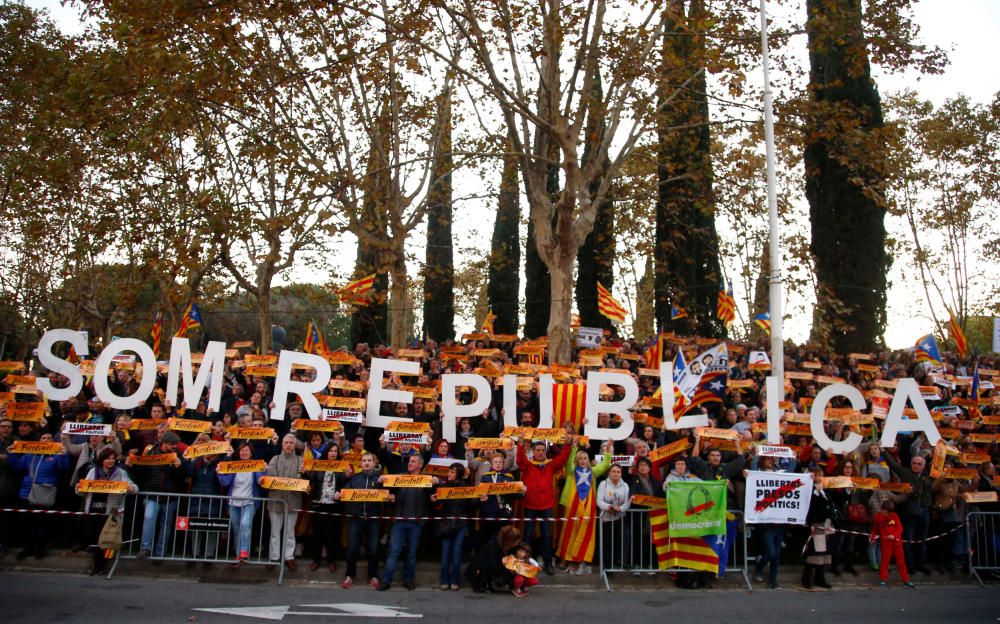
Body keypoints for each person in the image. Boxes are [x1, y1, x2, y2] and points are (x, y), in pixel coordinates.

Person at [376, 454, 438, 590]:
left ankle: (409, 579)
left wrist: (436, 483)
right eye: (409, 461)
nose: (410, 463)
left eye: (413, 461)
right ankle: (386, 580)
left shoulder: (426, 480)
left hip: (416, 522)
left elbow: (433, 496)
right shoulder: (400, 478)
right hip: (399, 521)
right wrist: (380, 482)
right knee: (394, 551)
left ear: (420, 465)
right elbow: (385, 490)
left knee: (411, 553)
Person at [124, 430, 186, 559]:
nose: (175, 446)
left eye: (175, 444)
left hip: (171, 495)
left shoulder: (178, 455)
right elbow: (141, 472)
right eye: (172, 444)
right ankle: (146, 548)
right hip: (153, 494)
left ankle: (160, 552)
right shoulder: (151, 453)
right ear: (164, 443)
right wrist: (131, 466)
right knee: (149, 519)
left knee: (166, 525)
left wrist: (179, 468)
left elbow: (182, 477)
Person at [7, 432, 70, 560]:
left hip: (44, 492)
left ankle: (40, 549)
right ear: (39, 440)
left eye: (49, 438)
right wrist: (12, 454)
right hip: (27, 491)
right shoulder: (30, 454)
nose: (46, 440)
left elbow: (63, 468)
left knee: (42, 522)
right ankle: (28, 548)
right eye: (43, 437)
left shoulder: (56, 455)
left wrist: (64, 455)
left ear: (53, 441)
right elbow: (17, 467)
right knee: (26, 522)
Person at [76, 447, 138, 575]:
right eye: (108, 458)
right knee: (93, 538)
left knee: (105, 540)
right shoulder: (93, 472)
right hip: (93, 510)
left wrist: (130, 488)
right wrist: (79, 488)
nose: (111, 461)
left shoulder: (120, 473)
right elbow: (82, 492)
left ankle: (99, 567)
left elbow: (134, 488)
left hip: (110, 512)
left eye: (113, 458)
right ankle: (98, 564)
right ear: (102, 460)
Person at [516, 439, 571, 575]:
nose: (540, 453)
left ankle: (548, 563)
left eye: (542, 450)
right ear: (534, 452)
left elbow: (562, 459)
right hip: (530, 505)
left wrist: (568, 445)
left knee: (547, 536)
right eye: (538, 450)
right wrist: (520, 445)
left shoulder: (550, 465)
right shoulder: (528, 465)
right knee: (528, 535)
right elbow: (520, 461)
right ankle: (525, 562)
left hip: (546, 506)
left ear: (545, 452)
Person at [556, 440, 611, 574]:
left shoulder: (593, 472)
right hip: (573, 508)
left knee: (584, 534)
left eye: (585, 458)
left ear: (588, 460)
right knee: (569, 533)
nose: (582, 460)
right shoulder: (571, 471)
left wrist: (608, 452)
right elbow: (568, 464)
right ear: (577, 460)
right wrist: (574, 449)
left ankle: (579, 559)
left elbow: (604, 465)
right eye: (580, 458)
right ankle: (565, 558)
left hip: (587, 508)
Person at [335, 451, 384, 589]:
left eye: (369, 460)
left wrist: (390, 495)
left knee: (373, 549)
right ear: (361, 463)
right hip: (356, 518)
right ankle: (349, 576)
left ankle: (373, 576)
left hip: (373, 518)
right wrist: (339, 494)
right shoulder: (355, 478)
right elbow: (345, 492)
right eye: (364, 461)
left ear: (374, 463)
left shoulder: (379, 479)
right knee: (352, 549)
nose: (367, 463)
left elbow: (387, 494)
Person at [431, 463, 483, 590]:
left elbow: (472, 506)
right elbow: (437, 506)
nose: (449, 474)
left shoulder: (465, 487)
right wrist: (435, 500)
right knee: (445, 552)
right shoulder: (443, 487)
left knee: (456, 552)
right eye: (449, 471)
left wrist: (479, 499)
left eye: (453, 472)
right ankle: (444, 580)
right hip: (446, 523)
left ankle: (455, 580)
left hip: (460, 524)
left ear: (459, 474)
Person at [884, 451, 933, 575]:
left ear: (923, 465)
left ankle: (921, 564)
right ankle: (910, 565)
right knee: (908, 539)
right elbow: (893, 464)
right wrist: (884, 452)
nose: (916, 465)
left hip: (925, 510)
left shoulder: (928, 476)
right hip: (910, 511)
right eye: (914, 463)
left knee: (922, 539)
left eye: (919, 464)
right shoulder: (905, 472)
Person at [218, 442, 264, 567]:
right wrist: (220, 473)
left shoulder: (256, 465)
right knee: (237, 529)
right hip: (233, 503)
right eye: (242, 450)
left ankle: (244, 551)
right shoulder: (233, 466)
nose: (244, 452)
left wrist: (263, 474)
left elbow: (260, 480)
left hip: (249, 502)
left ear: (251, 453)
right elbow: (225, 483)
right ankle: (239, 557)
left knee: (245, 525)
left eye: (246, 450)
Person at [263, 434, 305, 570]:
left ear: (294, 445)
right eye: (286, 442)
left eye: (291, 443)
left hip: (293, 501)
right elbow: (271, 477)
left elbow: (301, 479)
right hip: (276, 500)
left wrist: (300, 476)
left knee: (289, 532)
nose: (288, 445)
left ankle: (289, 557)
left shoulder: (300, 460)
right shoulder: (275, 459)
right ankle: (274, 558)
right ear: (282, 444)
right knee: (275, 532)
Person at [306, 443, 347, 573]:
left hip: (334, 506)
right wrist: (304, 473)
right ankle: (316, 560)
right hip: (318, 504)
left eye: (335, 451)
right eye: (331, 451)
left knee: (332, 535)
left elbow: (345, 485)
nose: (333, 453)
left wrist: (347, 476)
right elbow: (310, 480)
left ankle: (331, 560)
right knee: (317, 534)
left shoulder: (342, 467)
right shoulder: (319, 465)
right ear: (327, 453)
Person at [751, 455, 784, 589]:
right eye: (767, 459)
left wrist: (792, 458)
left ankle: (773, 581)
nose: (771, 461)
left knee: (776, 557)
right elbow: (753, 471)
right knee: (771, 553)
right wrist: (755, 456)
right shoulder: (758, 473)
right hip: (766, 524)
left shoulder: (780, 474)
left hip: (780, 524)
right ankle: (759, 568)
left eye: (772, 459)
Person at [870, 499, 916, 588]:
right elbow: (874, 529)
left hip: (897, 543)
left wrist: (894, 535)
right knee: (884, 562)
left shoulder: (894, 516)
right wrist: (873, 537)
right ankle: (883, 580)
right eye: (885, 511)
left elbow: (900, 529)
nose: (886, 514)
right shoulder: (877, 517)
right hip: (886, 544)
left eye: (888, 512)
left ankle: (906, 580)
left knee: (901, 562)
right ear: (882, 509)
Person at [802, 466, 835, 590]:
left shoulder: (825, 490)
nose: (819, 477)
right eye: (816, 475)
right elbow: (810, 505)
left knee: (825, 553)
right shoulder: (809, 490)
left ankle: (820, 578)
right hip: (816, 524)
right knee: (815, 552)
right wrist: (815, 491)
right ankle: (806, 578)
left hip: (827, 524)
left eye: (820, 474)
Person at [465, 525, 522, 593]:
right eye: (516, 541)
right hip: (478, 571)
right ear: (509, 540)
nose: (517, 543)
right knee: (504, 572)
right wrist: (504, 564)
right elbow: (493, 566)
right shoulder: (494, 547)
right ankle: (483, 584)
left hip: (490, 566)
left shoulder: (505, 543)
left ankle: (507, 584)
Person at [596, 464, 631, 571]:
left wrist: (621, 509)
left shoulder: (625, 486)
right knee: (608, 542)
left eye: (618, 472)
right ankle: (607, 566)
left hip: (620, 517)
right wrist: (608, 507)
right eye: (614, 471)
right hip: (606, 518)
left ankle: (621, 562)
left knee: (622, 539)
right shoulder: (603, 484)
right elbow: (599, 501)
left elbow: (627, 502)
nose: (616, 474)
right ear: (609, 473)